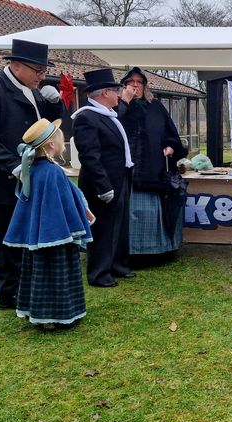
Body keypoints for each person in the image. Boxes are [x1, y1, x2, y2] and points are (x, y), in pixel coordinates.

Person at [0, 39, 63, 310]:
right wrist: (13, 164)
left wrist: (55, 104)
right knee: (10, 237)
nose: (42, 76)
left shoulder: (32, 90)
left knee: (27, 236)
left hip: (31, 176)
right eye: (38, 70)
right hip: (4, 178)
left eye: (44, 71)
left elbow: (45, 125)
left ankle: (28, 288)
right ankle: (8, 295)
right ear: (16, 65)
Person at [3, 119, 93, 329]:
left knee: (39, 273)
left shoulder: (32, 170)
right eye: (61, 138)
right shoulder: (53, 172)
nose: (64, 142)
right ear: (51, 145)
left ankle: (42, 316)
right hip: (57, 234)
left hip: (37, 236)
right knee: (58, 272)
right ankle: (57, 316)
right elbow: (66, 204)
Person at [71, 68, 134, 288]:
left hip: (120, 176)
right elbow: (89, 155)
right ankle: (99, 273)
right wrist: (103, 186)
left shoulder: (107, 115)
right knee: (103, 227)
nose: (119, 95)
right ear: (104, 92)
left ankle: (117, 265)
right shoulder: (87, 117)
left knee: (118, 224)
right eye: (116, 90)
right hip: (102, 182)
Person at [117, 67, 188, 258]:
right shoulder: (117, 107)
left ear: (145, 86)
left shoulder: (155, 107)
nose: (135, 85)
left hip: (153, 169)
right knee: (132, 212)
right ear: (124, 85)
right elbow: (113, 128)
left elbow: (170, 134)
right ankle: (130, 250)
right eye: (131, 82)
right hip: (128, 172)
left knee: (152, 211)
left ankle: (157, 250)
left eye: (139, 82)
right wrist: (124, 102)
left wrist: (171, 146)